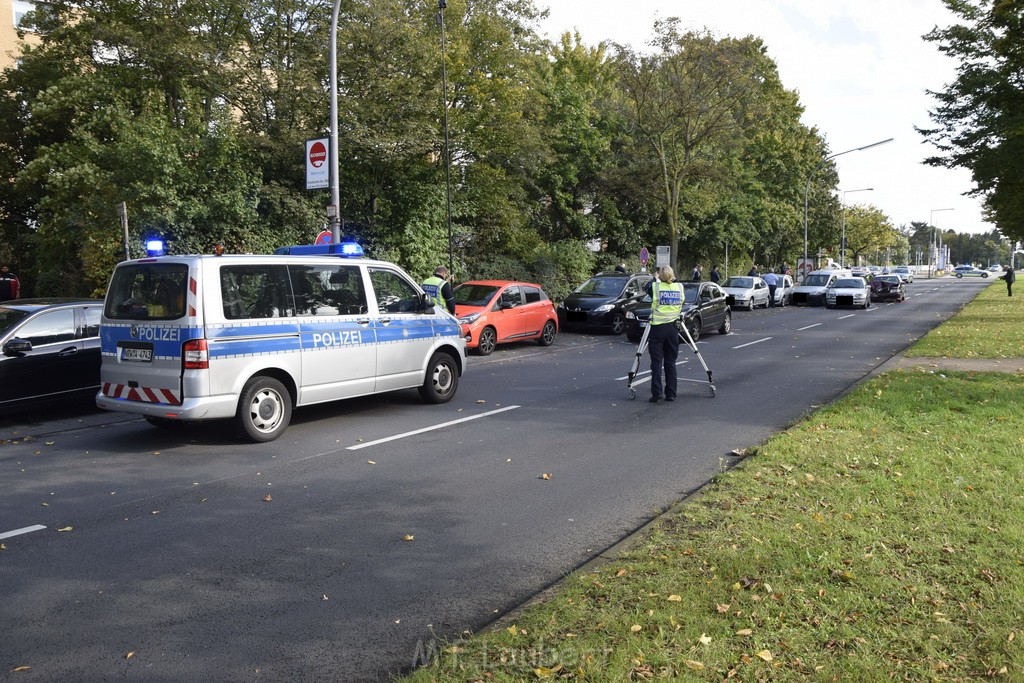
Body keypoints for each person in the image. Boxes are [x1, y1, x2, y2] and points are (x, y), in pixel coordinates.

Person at [643, 266, 683, 403]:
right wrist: (669, 277)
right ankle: (671, 393)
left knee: (656, 362)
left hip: (658, 328)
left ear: (660, 275)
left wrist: (655, 278)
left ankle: (657, 392)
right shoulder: (679, 288)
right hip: (673, 329)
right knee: (670, 362)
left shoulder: (656, 287)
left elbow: (646, 286)